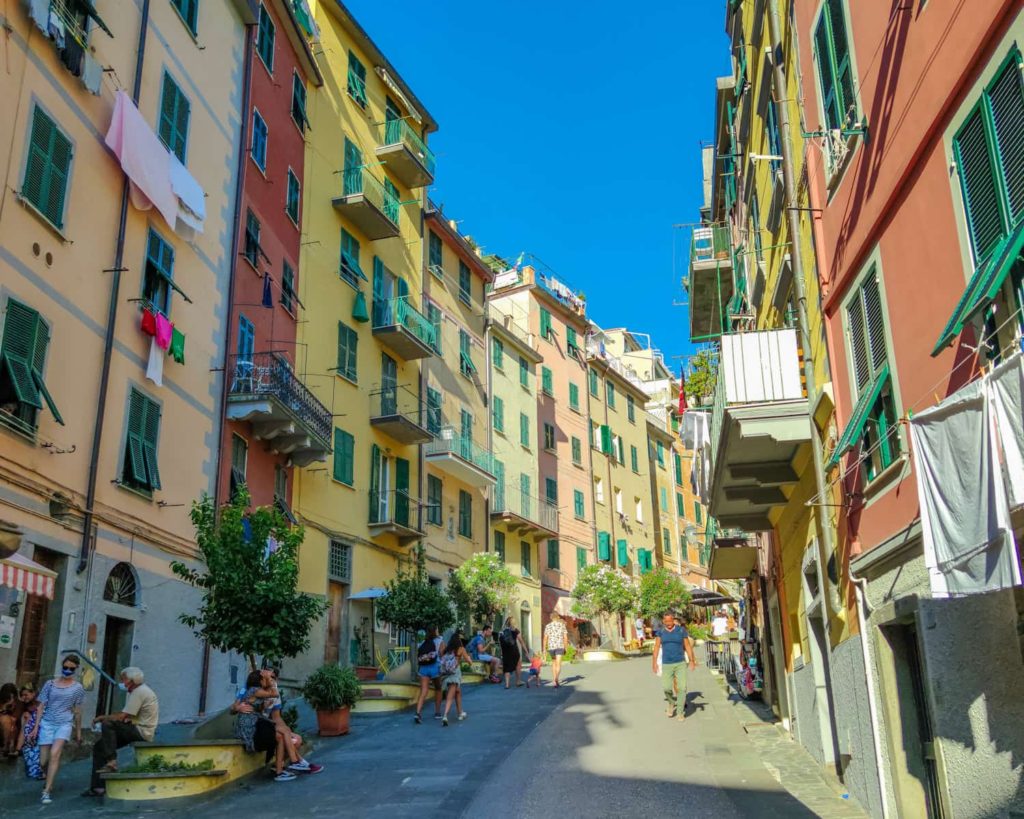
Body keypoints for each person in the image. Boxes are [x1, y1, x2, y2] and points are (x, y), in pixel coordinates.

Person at [84, 666, 160, 796]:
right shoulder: (140, 691)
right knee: (100, 747)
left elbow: (121, 716)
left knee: (108, 723)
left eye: (123, 679)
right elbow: (130, 716)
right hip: (139, 728)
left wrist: (101, 718)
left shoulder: (139, 692)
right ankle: (98, 787)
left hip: (141, 731)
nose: (122, 683)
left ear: (131, 681)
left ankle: (111, 760)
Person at [231, 669, 307, 782]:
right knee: (284, 730)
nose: (271, 680)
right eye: (268, 678)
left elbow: (259, 708)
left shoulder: (259, 692)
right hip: (251, 726)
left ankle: (280, 772)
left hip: (258, 723)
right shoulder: (254, 690)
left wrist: (264, 705)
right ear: (261, 680)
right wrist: (237, 708)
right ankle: (296, 761)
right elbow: (275, 694)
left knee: (281, 735)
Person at [32, 654, 85, 804]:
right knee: (43, 761)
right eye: (65, 667)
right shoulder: (50, 684)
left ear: (76, 669)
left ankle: (46, 791)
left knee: (55, 754)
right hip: (47, 723)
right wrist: (36, 726)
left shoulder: (78, 688)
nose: (67, 670)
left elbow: (78, 710)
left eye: (71, 668)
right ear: (62, 666)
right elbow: (41, 705)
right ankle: (48, 775)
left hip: (64, 724)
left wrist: (79, 732)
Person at [651, 611, 697, 722]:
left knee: (681, 688)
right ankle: (671, 702)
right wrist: (654, 663)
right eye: (666, 621)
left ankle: (680, 712)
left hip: (680, 663)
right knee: (666, 688)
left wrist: (691, 660)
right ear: (663, 621)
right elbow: (657, 647)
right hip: (667, 664)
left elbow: (687, 645)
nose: (668, 623)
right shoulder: (661, 632)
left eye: (670, 621)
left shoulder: (681, 630)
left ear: (673, 620)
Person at [439, 633, 471, 726]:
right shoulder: (461, 649)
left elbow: (442, 659)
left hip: (447, 674)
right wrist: (467, 658)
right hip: (455, 674)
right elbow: (470, 662)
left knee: (458, 692)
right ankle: (445, 715)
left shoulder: (447, 650)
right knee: (450, 695)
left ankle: (460, 713)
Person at [414, 628, 441, 725]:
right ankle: (437, 712)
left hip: (423, 668)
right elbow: (442, 653)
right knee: (438, 688)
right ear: (435, 632)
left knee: (424, 691)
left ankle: (418, 713)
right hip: (434, 668)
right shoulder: (439, 641)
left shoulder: (421, 643)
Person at [16, 685, 43, 779]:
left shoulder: (40, 705)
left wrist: (35, 729)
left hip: (41, 732)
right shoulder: (24, 708)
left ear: (33, 693)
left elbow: (40, 721)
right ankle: (19, 748)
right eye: (22, 695)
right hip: (30, 736)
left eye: (26, 694)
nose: (24, 697)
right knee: (26, 717)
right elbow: (23, 728)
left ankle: (19, 748)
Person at [499, 617, 530, 689]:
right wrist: (526, 651)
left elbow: (501, 643)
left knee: (507, 667)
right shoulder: (515, 630)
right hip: (514, 650)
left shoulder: (502, 631)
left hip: (505, 652)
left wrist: (501, 652)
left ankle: (507, 684)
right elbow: (521, 641)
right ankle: (518, 681)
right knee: (518, 664)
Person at [542, 613, 569, 687]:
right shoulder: (562, 625)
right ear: (557, 617)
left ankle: (554, 679)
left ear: (551, 618)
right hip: (560, 646)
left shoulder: (548, 626)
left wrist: (544, 649)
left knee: (554, 663)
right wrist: (566, 647)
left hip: (551, 647)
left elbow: (545, 639)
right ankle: (556, 678)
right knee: (558, 663)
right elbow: (565, 638)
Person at [0, 682, 19, 757]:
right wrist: (4, 707)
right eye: (8, 697)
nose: (11, 699)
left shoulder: (18, 704)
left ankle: (7, 747)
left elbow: (15, 718)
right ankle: (6, 747)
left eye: (13, 697)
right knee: (5, 719)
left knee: (8, 720)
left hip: (13, 730)